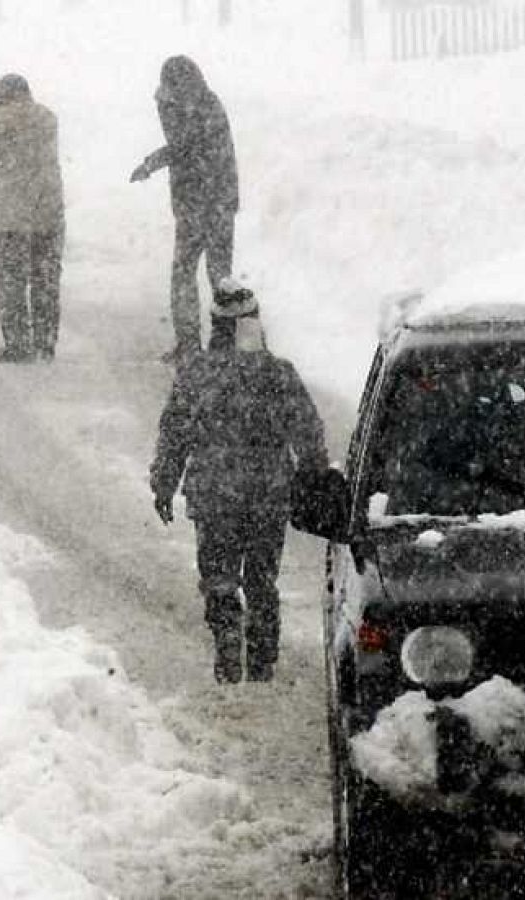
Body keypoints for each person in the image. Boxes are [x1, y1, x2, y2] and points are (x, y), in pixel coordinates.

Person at [149, 281, 328, 683]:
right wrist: (314, 479)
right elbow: (308, 432)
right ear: (256, 324)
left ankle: (227, 637)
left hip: (213, 495)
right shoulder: (278, 374)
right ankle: (262, 657)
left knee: (218, 576)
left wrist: (163, 483)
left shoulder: (196, 373)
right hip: (268, 495)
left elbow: (175, 432)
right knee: (262, 577)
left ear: (216, 326)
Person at [130, 56, 240, 367]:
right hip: (218, 201)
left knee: (186, 273)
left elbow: (182, 146)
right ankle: (224, 345)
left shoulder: (193, 108)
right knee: (219, 275)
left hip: (200, 202)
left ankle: (194, 344)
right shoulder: (206, 103)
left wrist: (150, 163)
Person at [0, 73, 66, 363]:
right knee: (45, 281)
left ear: (3, 96)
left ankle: (18, 345)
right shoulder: (47, 118)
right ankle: (45, 344)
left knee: (12, 282)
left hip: (11, 217)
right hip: (47, 214)